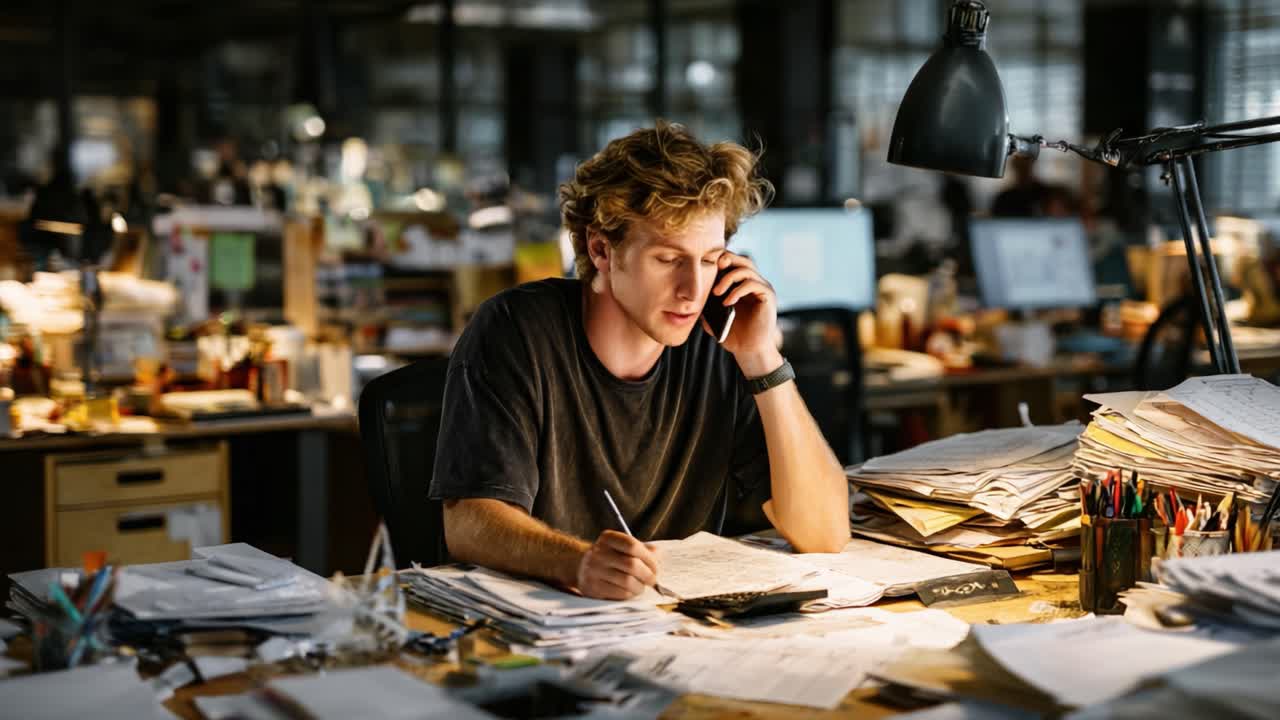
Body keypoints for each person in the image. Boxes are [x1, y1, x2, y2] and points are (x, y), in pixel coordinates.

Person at [429, 121, 850, 600]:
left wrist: (761, 356)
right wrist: (578, 561)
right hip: (542, 629)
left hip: (675, 626)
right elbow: (467, 522)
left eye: (710, 260)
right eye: (669, 260)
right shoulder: (516, 329)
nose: (694, 291)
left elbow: (825, 535)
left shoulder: (721, 342)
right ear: (601, 250)